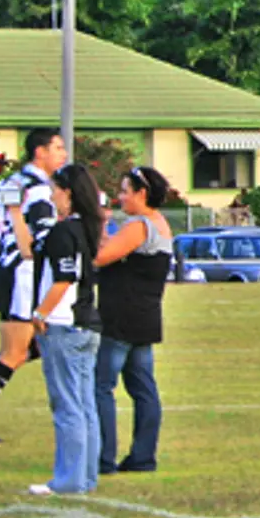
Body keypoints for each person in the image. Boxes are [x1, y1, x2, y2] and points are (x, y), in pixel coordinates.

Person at [0, 127, 66, 444]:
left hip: (7, 271)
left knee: (29, 346)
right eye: (58, 148)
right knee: (19, 350)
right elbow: (40, 237)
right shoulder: (38, 190)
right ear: (40, 152)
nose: (63, 154)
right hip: (22, 273)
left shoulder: (9, 184)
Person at [28, 164, 107, 495]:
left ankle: (68, 480)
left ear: (68, 193)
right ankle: (85, 476)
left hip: (65, 324)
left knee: (67, 405)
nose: (52, 195)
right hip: (87, 325)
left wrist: (39, 312)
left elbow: (64, 279)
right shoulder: (85, 230)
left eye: (55, 189)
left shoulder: (64, 233)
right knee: (85, 403)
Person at [94, 167, 173, 474]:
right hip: (145, 317)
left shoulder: (139, 225)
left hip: (121, 318)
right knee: (143, 388)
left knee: (101, 386)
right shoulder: (160, 224)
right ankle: (143, 456)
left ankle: (104, 457)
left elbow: (100, 258)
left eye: (126, 191)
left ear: (142, 193)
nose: (120, 197)